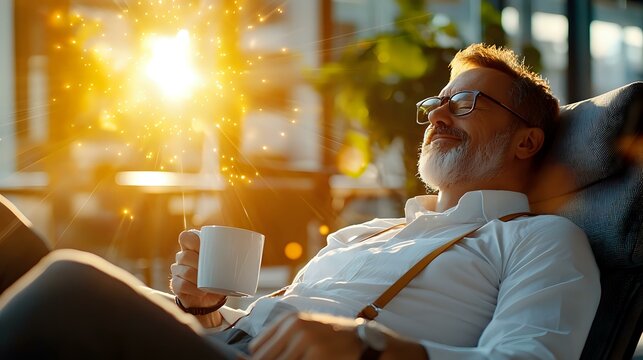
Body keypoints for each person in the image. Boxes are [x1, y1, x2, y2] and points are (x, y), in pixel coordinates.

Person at [0, 43, 600, 359]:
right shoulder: (369, 232)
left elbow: (531, 357)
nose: (438, 115)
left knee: (71, 286)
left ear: (526, 139)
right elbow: (275, 323)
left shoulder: (539, 240)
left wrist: (374, 349)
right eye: (436, 105)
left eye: (465, 103)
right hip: (227, 344)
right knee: (12, 241)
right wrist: (208, 307)